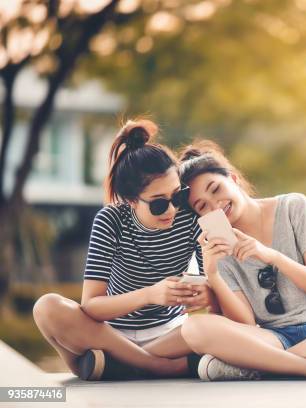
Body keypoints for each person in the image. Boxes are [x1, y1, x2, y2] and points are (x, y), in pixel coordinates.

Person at [178, 141, 306, 381]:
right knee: (193, 328)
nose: (216, 205)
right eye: (202, 206)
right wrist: (213, 274)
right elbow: (245, 323)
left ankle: (259, 367)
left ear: (233, 179)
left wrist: (269, 255)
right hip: (275, 337)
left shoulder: (294, 207)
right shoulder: (219, 247)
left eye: (216, 189)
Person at [33, 120, 214, 380]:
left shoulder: (191, 213)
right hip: (110, 336)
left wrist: (204, 292)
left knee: (212, 328)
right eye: (158, 204)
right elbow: (92, 306)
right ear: (130, 200)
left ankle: (113, 366)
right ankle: (158, 367)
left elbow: (217, 282)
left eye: (177, 196)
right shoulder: (111, 220)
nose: (173, 209)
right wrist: (150, 294)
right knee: (46, 307)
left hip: (171, 335)